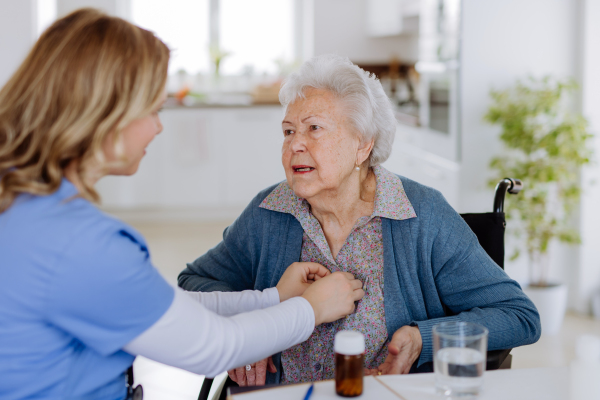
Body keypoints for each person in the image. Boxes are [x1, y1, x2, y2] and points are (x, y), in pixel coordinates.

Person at [0, 11, 365, 399]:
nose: (158, 126)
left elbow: (162, 306)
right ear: (107, 113)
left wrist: (271, 299)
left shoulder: (25, 207)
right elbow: (215, 347)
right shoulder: (81, 245)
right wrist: (312, 309)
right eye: (153, 110)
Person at [178, 54, 542, 386]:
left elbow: (520, 315)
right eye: (288, 131)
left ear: (362, 144)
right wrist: (252, 329)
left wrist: (420, 338)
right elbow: (192, 284)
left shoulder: (423, 215)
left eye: (314, 128)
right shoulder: (269, 212)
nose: (294, 145)